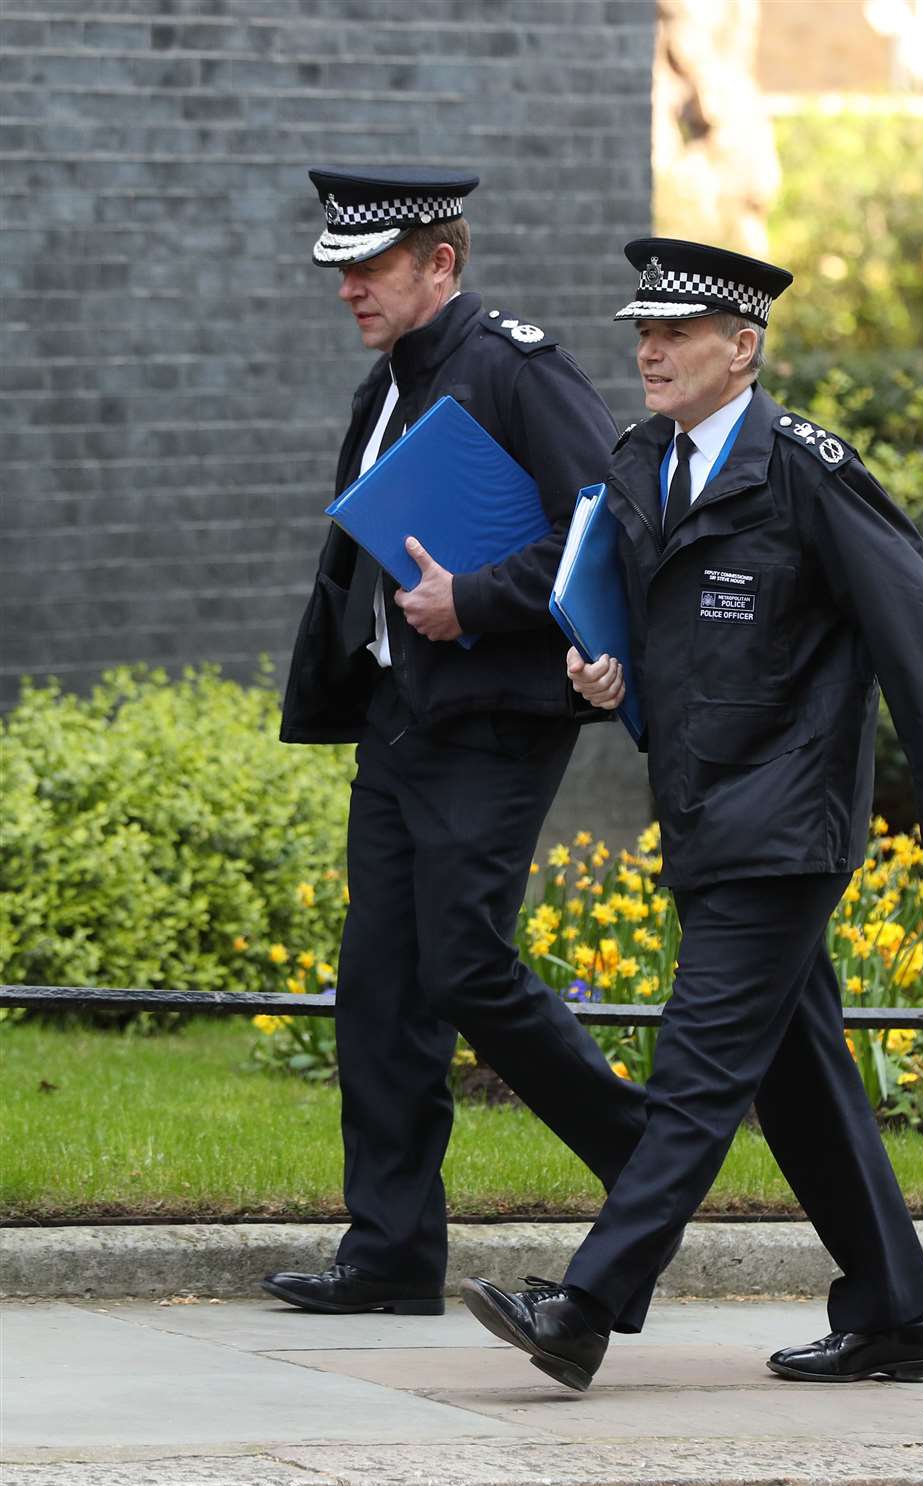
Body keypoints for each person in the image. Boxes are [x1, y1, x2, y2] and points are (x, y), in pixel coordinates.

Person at [462, 237, 923, 1389]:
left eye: (675, 335)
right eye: (643, 334)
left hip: (787, 816)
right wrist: (607, 675)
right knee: (799, 1074)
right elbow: (649, 628)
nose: (650, 351)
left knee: (699, 1065)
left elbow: (915, 625)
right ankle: (893, 1314)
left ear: (741, 348)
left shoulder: (805, 468)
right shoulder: (640, 458)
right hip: (705, 804)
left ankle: (587, 1303)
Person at [263, 168, 650, 1318]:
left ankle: (647, 1159)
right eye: (340, 268)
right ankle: (389, 1253)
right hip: (403, 719)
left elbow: (611, 518)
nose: (349, 288)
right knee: (379, 985)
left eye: (371, 267)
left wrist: (474, 601)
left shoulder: (511, 365)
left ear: (443, 263)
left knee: (466, 963)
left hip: (496, 721)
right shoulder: (391, 382)